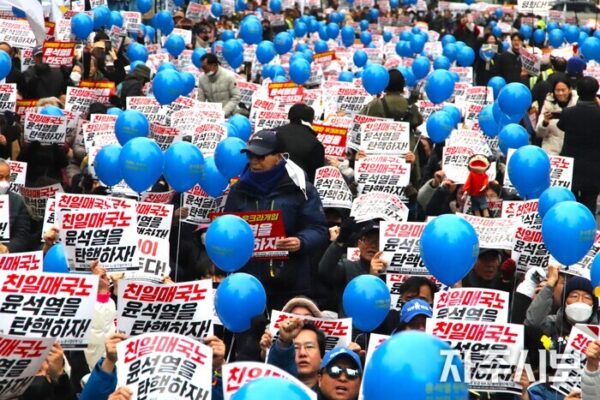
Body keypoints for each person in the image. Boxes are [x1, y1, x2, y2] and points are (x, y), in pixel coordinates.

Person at [224, 130, 328, 310]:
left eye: (261, 156)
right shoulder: (238, 190)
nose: (254, 161)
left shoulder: (301, 189)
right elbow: (227, 226)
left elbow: (318, 228)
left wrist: (300, 241)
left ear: (279, 157)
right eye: (250, 155)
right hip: (246, 283)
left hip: (289, 283)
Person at [558, 76, 600, 215]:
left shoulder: (568, 113)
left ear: (578, 91)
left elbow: (561, 126)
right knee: (589, 207)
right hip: (594, 169)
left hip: (570, 168)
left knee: (570, 205)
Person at [525, 265, 598, 343]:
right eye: (574, 296)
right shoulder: (553, 323)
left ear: (593, 305)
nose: (580, 300)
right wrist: (550, 283)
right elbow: (533, 322)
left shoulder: (598, 331)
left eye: (587, 297)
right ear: (565, 302)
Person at [275, 103, 325, 183]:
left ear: (289, 116)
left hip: (265, 186)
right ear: (311, 120)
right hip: (296, 190)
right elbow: (315, 179)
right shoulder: (315, 144)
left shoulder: (272, 133)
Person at [536, 77, 578, 155]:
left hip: (571, 150)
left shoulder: (577, 105)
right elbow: (539, 134)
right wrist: (544, 123)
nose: (560, 93)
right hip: (551, 150)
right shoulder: (548, 104)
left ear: (569, 90)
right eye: (557, 90)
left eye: (563, 90)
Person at [0, 160, 30, 253]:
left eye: (7, 177)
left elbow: (22, 235)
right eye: (0, 177)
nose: (4, 182)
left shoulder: (18, 201)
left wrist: (7, 248)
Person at [197, 53, 241, 117]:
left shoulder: (229, 76)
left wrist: (223, 112)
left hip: (231, 114)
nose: (203, 70)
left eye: (205, 67)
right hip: (213, 116)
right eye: (202, 67)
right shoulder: (202, 79)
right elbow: (200, 100)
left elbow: (236, 97)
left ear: (214, 65)